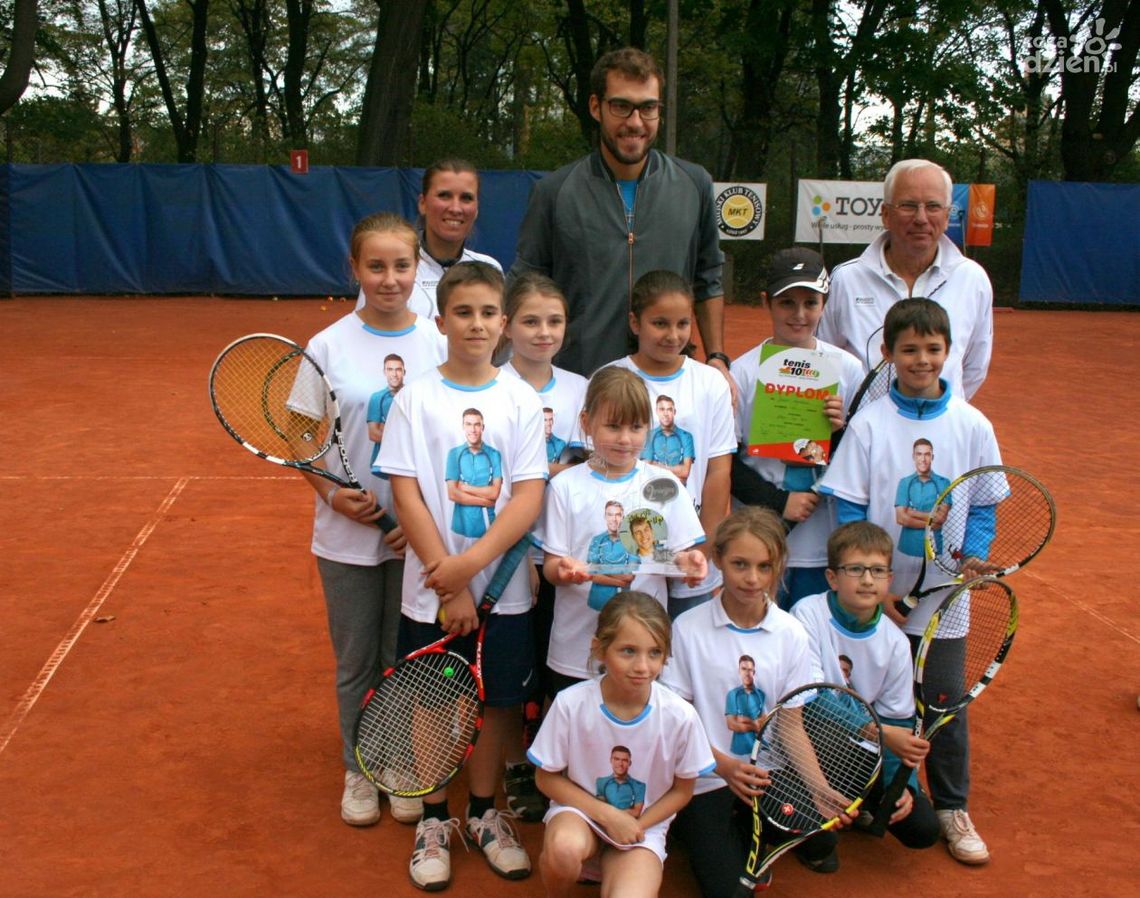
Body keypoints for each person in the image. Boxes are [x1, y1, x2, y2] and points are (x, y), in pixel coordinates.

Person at [376, 261, 548, 889]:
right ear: (441, 319)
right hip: (433, 596)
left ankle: (481, 813)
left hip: (503, 592)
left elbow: (528, 497)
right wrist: (448, 585)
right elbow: (407, 492)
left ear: (503, 323)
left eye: (487, 313)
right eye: (463, 312)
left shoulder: (520, 400)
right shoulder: (415, 398)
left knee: (499, 703)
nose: (476, 324)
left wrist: (470, 571)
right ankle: (431, 817)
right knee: (429, 702)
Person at [817, 297, 1003, 866]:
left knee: (944, 702)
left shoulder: (973, 424)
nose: (922, 359)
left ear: (949, 352)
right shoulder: (869, 424)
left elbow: (987, 507)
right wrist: (873, 585)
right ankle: (851, 790)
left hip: (945, 603)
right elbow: (847, 508)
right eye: (909, 349)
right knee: (860, 696)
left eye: (933, 348)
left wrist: (971, 554)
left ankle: (951, 805)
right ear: (887, 353)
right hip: (876, 603)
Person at [300, 212, 445, 830]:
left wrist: (419, 522)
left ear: (418, 271)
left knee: (406, 655)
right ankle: (360, 767)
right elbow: (301, 436)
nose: (390, 279)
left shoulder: (438, 343)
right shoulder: (328, 345)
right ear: (355, 270)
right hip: (346, 536)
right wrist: (333, 496)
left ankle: (399, 764)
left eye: (402, 266)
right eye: (376, 266)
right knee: (358, 657)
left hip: (422, 536)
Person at [509, 47, 732, 387]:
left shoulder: (694, 184)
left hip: (667, 382)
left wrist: (716, 356)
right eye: (621, 106)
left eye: (648, 108)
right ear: (596, 107)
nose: (635, 122)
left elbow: (708, 277)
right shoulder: (554, 192)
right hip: (578, 381)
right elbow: (527, 284)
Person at [663, 507, 839, 895]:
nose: (752, 578)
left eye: (764, 566)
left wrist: (820, 787)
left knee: (823, 840)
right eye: (740, 564)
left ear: (778, 567)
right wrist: (724, 766)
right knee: (728, 892)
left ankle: (741, 833)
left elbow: (791, 724)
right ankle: (699, 831)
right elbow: (678, 723)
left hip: (766, 774)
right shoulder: (687, 629)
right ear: (718, 561)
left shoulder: (791, 633)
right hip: (705, 777)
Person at [533, 366, 708, 695]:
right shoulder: (565, 487)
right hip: (576, 650)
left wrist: (690, 562)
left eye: (636, 427)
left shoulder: (664, 485)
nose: (625, 439)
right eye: (613, 426)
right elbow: (552, 568)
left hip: (642, 656)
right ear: (586, 423)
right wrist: (567, 570)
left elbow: (666, 557)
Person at [528, 592, 715, 897]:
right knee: (564, 849)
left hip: (643, 827)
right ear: (599, 649)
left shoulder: (680, 716)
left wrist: (636, 824)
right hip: (580, 814)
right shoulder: (570, 704)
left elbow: (683, 790)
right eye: (628, 651)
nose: (642, 666)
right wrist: (608, 816)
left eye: (654, 653)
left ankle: (616, 867)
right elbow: (545, 777)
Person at [496, 271, 588, 822]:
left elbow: (588, 472)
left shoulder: (580, 388)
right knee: (514, 672)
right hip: (514, 558)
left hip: (567, 560)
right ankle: (512, 763)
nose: (543, 332)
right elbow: (507, 486)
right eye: (530, 321)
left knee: (560, 672)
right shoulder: (494, 385)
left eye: (554, 321)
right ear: (507, 325)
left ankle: (553, 763)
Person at [790, 521, 940, 853]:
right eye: (855, 569)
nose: (868, 580)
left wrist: (904, 786)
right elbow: (810, 700)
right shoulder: (806, 615)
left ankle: (865, 802)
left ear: (889, 578)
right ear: (832, 577)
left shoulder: (896, 643)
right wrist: (877, 732)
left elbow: (899, 721)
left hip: (865, 750)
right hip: (813, 745)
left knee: (923, 830)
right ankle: (815, 801)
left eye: (877, 570)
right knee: (820, 845)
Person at [729, 248, 863, 608]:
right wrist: (778, 502)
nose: (799, 314)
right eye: (786, 302)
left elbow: (861, 460)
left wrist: (838, 431)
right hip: (756, 541)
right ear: (766, 303)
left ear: (825, 304)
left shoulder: (848, 370)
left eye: (810, 302)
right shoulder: (742, 373)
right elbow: (725, 461)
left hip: (820, 543)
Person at [608, 270, 736, 619]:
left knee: (685, 649)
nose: (673, 335)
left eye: (683, 324)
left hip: (689, 544)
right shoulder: (610, 378)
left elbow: (718, 471)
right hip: (632, 547)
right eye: (660, 323)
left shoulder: (711, 383)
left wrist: (705, 545)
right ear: (635, 323)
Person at [817, 158, 993, 401]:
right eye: (909, 205)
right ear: (886, 214)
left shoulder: (973, 279)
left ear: (947, 215)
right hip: (862, 434)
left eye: (933, 206)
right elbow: (824, 360)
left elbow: (974, 368)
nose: (921, 218)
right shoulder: (846, 279)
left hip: (940, 435)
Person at [356, 159, 501, 320]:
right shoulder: (393, 270)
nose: (455, 208)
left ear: (476, 209)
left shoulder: (490, 269)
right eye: (444, 196)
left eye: (466, 198)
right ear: (423, 203)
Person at [895, 438, 952, 557]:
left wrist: (912, 512)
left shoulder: (944, 483)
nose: (923, 459)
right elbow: (901, 519)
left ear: (932, 457)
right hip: (907, 549)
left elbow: (940, 519)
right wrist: (931, 521)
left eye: (927, 454)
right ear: (914, 456)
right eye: (919, 454)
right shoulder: (905, 483)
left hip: (934, 551)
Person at [367, 353, 405, 473]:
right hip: (382, 465)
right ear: (384, 372)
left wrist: (385, 428)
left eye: (398, 370)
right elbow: (374, 434)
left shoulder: (414, 395)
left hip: (410, 465)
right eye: (390, 370)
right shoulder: (376, 398)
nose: (394, 374)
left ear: (404, 372)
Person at [595, 746, 646, 816]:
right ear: (611, 760)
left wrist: (611, 812)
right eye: (616, 759)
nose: (620, 764)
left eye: (624, 760)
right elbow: (601, 809)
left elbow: (636, 813)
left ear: (629, 763)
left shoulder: (639, 786)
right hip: (604, 824)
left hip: (628, 824)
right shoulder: (601, 782)